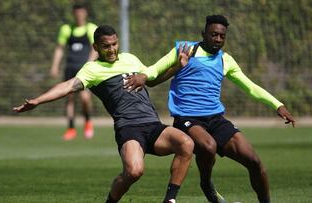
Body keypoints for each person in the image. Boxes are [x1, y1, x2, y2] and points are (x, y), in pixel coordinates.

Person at [123, 15, 295, 203]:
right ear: (203, 34)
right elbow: (156, 68)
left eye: (222, 36)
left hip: (215, 118)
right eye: (214, 35)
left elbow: (250, 86)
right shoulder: (185, 49)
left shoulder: (225, 60)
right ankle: (206, 184)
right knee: (208, 145)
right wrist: (143, 76)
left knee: (254, 162)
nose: (218, 39)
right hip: (187, 118)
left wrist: (277, 104)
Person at [13, 25, 194, 203]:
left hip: (153, 125)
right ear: (96, 47)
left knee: (186, 144)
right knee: (134, 172)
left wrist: (178, 66)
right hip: (129, 128)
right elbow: (67, 86)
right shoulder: (92, 69)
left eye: (114, 44)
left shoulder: (130, 59)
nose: (112, 49)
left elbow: (152, 80)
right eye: (106, 46)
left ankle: (170, 199)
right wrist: (38, 100)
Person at [50, 3, 98, 140]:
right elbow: (59, 48)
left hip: (84, 70)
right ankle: (71, 128)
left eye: (81, 12)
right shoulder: (66, 29)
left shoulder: (91, 28)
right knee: (69, 98)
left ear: (85, 13)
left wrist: (89, 64)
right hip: (70, 68)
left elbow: (95, 49)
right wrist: (55, 66)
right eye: (76, 12)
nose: (79, 14)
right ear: (73, 13)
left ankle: (88, 121)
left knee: (85, 98)